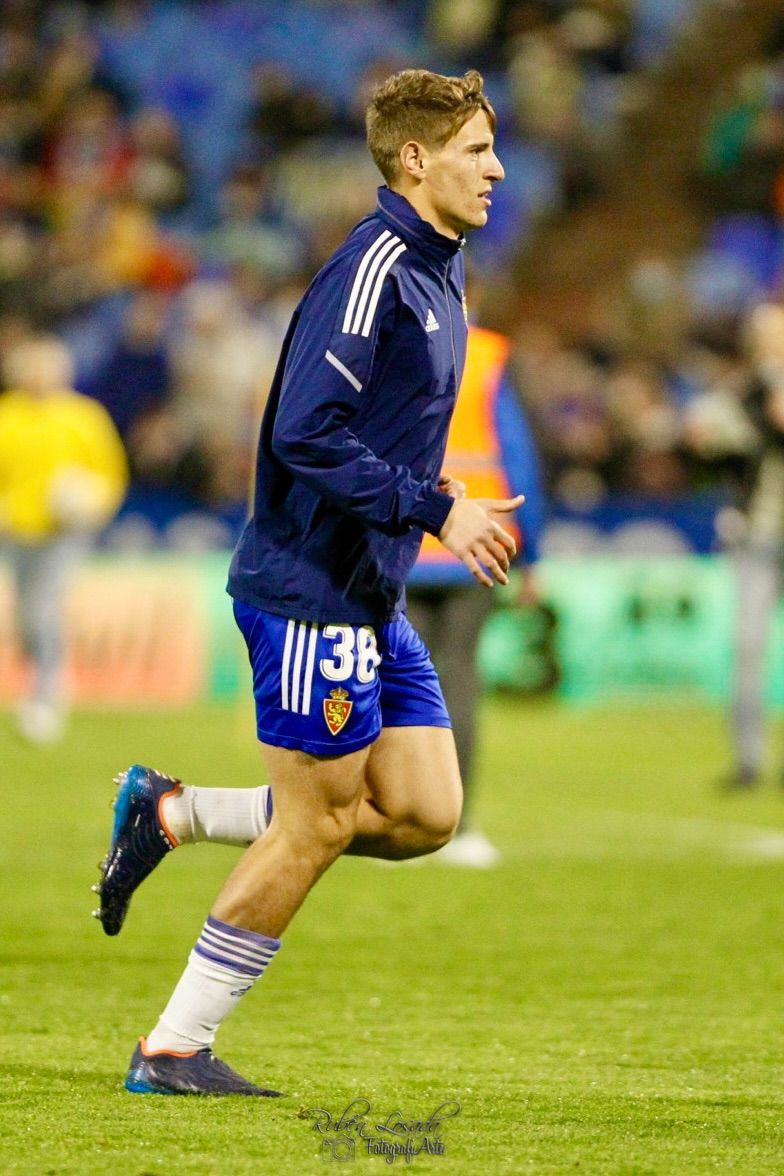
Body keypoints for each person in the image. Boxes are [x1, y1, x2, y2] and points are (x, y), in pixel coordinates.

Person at [96, 68, 519, 1097]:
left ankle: (173, 812)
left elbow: (369, 429)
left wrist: (432, 491)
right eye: (474, 152)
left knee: (423, 813)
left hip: (369, 593)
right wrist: (434, 508)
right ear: (414, 161)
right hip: (309, 592)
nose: (497, 169)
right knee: (320, 823)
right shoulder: (373, 269)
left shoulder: (436, 267)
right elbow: (302, 431)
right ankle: (172, 1047)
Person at [406, 319, 544, 866]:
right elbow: (517, 454)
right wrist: (533, 553)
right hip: (476, 546)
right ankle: (458, 827)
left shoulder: (394, 343)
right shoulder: (487, 356)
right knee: (458, 677)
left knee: (403, 687)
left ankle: (403, 819)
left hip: (406, 544)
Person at [0, 334, 128, 742]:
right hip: (15, 530)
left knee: (43, 609)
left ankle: (47, 695)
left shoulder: (83, 417)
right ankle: (41, 685)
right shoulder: (8, 417)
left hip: (63, 535)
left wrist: (91, 504)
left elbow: (111, 475)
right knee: (24, 614)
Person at [683, 302, 784, 789]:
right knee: (748, 648)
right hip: (756, 534)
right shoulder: (742, 391)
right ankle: (749, 762)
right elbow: (707, 442)